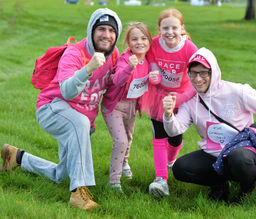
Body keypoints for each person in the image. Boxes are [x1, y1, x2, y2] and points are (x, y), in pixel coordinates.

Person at [1, 8, 122, 210]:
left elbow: (114, 85)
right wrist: (88, 69)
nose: (107, 35)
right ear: (92, 30)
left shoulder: (113, 55)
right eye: (101, 29)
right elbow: (66, 91)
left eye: (111, 30)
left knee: (63, 175)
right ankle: (79, 194)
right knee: (79, 125)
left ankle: (17, 157)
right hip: (52, 108)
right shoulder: (74, 53)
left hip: (79, 120)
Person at [162, 47, 256, 203]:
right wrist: (168, 114)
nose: (198, 79)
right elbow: (175, 130)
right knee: (180, 168)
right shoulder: (191, 103)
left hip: (243, 150)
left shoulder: (237, 91)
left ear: (213, 72)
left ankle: (246, 190)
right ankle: (219, 184)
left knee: (238, 157)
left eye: (203, 73)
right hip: (213, 154)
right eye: (193, 73)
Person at [140, 8, 198, 198]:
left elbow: (195, 79)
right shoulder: (154, 45)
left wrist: (179, 98)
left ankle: (171, 160)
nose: (170, 32)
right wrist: (153, 78)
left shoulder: (189, 48)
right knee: (159, 136)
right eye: (165, 28)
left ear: (182, 28)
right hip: (158, 96)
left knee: (175, 137)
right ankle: (161, 179)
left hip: (181, 96)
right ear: (159, 29)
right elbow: (151, 70)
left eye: (174, 27)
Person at [101, 22, 152, 192]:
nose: (139, 42)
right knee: (120, 141)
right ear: (128, 43)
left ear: (149, 41)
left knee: (128, 138)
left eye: (143, 38)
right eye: (135, 39)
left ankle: (124, 163)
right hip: (114, 106)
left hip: (131, 107)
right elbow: (116, 80)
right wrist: (130, 66)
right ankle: (114, 182)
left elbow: (148, 82)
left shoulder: (148, 61)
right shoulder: (126, 59)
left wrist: (154, 79)